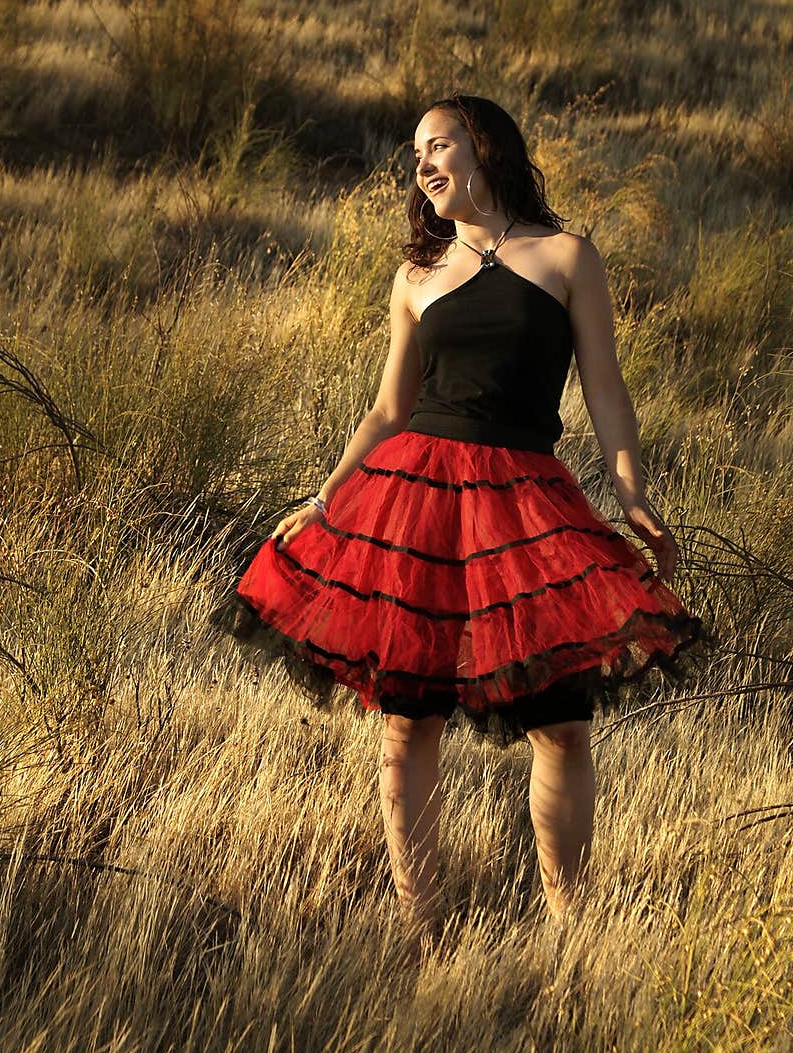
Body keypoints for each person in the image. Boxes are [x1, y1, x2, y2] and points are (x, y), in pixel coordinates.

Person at [212, 92, 714, 966]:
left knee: (559, 722)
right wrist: (327, 497)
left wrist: (631, 489)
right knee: (408, 722)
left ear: (484, 147)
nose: (423, 165)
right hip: (416, 501)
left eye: (437, 145)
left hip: (526, 499)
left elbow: (605, 390)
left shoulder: (566, 256)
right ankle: (424, 932)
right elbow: (387, 409)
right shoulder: (416, 276)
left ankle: (571, 924)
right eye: (415, 155)